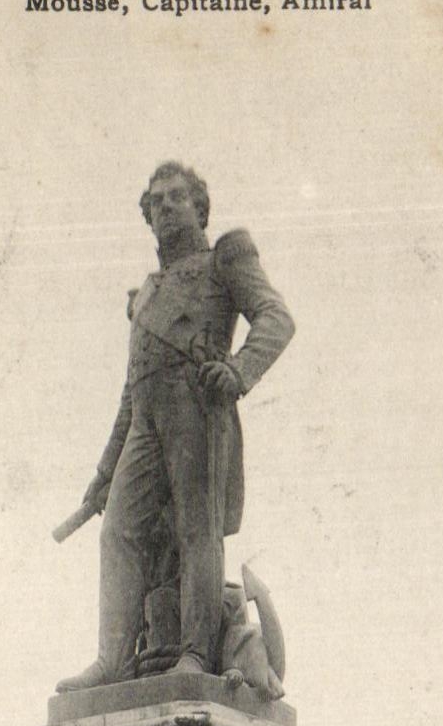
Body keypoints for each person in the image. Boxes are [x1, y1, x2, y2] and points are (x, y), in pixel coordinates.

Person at [58, 161, 295, 690]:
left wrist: (237, 370)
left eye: (177, 197)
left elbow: (276, 318)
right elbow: (131, 388)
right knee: (118, 530)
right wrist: (103, 472)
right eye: (156, 201)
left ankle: (194, 652)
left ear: (200, 208)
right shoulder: (145, 294)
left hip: (198, 408)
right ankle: (112, 662)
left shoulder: (224, 260)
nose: (165, 207)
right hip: (146, 422)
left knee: (197, 531)